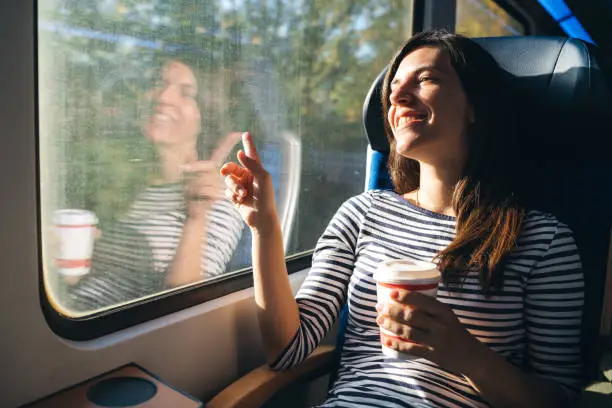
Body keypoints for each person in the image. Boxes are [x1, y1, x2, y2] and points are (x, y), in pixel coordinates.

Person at [221, 30, 584, 408]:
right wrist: (264, 229)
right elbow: (287, 350)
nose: (396, 95)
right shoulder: (363, 214)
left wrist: (463, 353)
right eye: (394, 86)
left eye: (426, 79)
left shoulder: (543, 240)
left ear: (475, 105)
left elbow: (559, 400)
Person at [65, 59, 244, 312]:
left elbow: (184, 304)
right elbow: (92, 279)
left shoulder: (217, 196)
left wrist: (196, 217)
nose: (163, 96)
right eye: (159, 83)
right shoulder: (123, 181)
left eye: (185, 93)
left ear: (206, 115)